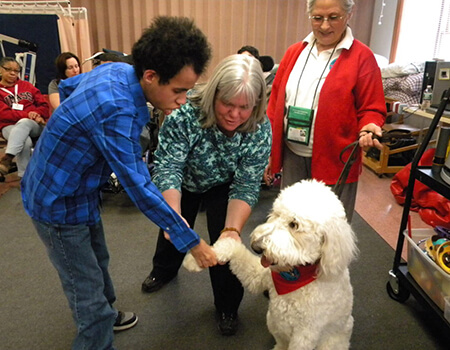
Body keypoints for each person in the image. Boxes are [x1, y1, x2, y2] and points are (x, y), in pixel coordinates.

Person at [21, 16, 216, 350]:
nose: (183, 100)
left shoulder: (118, 70)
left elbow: (68, 87)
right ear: (151, 76)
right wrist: (193, 243)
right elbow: (140, 187)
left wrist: (74, 136)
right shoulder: (118, 110)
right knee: (85, 289)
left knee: (99, 260)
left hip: (80, 188)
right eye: (179, 91)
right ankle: (97, 329)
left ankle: (107, 314)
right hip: (56, 202)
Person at [141, 54, 272, 336]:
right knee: (173, 228)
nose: (234, 115)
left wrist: (232, 230)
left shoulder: (260, 128)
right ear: (214, 95)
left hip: (225, 184)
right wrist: (172, 216)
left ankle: (227, 306)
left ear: (256, 105)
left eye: (244, 107)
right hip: (184, 179)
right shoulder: (185, 114)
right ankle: (163, 270)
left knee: (225, 242)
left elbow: (248, 183)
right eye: (227, 104)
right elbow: (169, 166)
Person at [266, 0, 386, 222]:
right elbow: (275, 103)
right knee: (292, 222)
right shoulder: (294, 52)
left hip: (336, 158)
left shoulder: (361, 57)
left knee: (328, 229)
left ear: (349, 15)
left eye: (333, 17)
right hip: (292, 153)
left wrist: (369, 126)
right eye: (317, 18)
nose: (324, 26)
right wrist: (268, 150)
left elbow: (372, 107)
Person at [0, 57, 50, 177]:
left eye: (16, 71)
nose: (13, 73)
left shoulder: (27, 86)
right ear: (1, 70)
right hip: (9, 126)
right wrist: (27, 114)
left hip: (33, 125)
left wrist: (37, 114)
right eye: (9, 70)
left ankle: (8, 158)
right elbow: (4, 114)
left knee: (24, 122)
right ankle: (25, 176)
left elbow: (44, 106)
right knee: (25, 142)